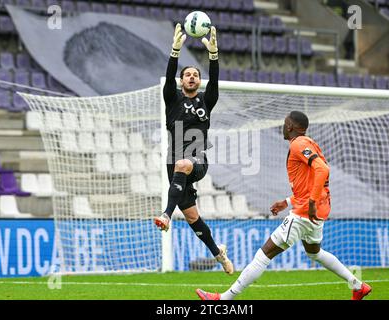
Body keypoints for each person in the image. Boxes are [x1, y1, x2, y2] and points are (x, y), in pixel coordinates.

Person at [196, 111, 371, 300]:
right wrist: (287, 202)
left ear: (290, 126)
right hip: (318, 210)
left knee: (264, 254)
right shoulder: (309, 143)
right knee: (315, 252)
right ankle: (357, 285)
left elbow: (323, 169)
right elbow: (310, 182)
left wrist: (311, 202)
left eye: (285, 123)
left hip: (306, 212)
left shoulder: (299, 144)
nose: (283, 126)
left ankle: (223, 299)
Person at [153, 23, 234, 275]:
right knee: (191, 218)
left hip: (197, 160)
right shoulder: (172, 98)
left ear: (199, 82)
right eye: (187, 74)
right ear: (181, 80)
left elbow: (215, 82)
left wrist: (213, 56)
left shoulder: (206, 101)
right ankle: (218, 253)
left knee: (184, 164)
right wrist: (175, 50)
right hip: (173, 162)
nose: (191, 77)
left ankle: (165, 215)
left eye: (195, 75)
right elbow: (169, 77)